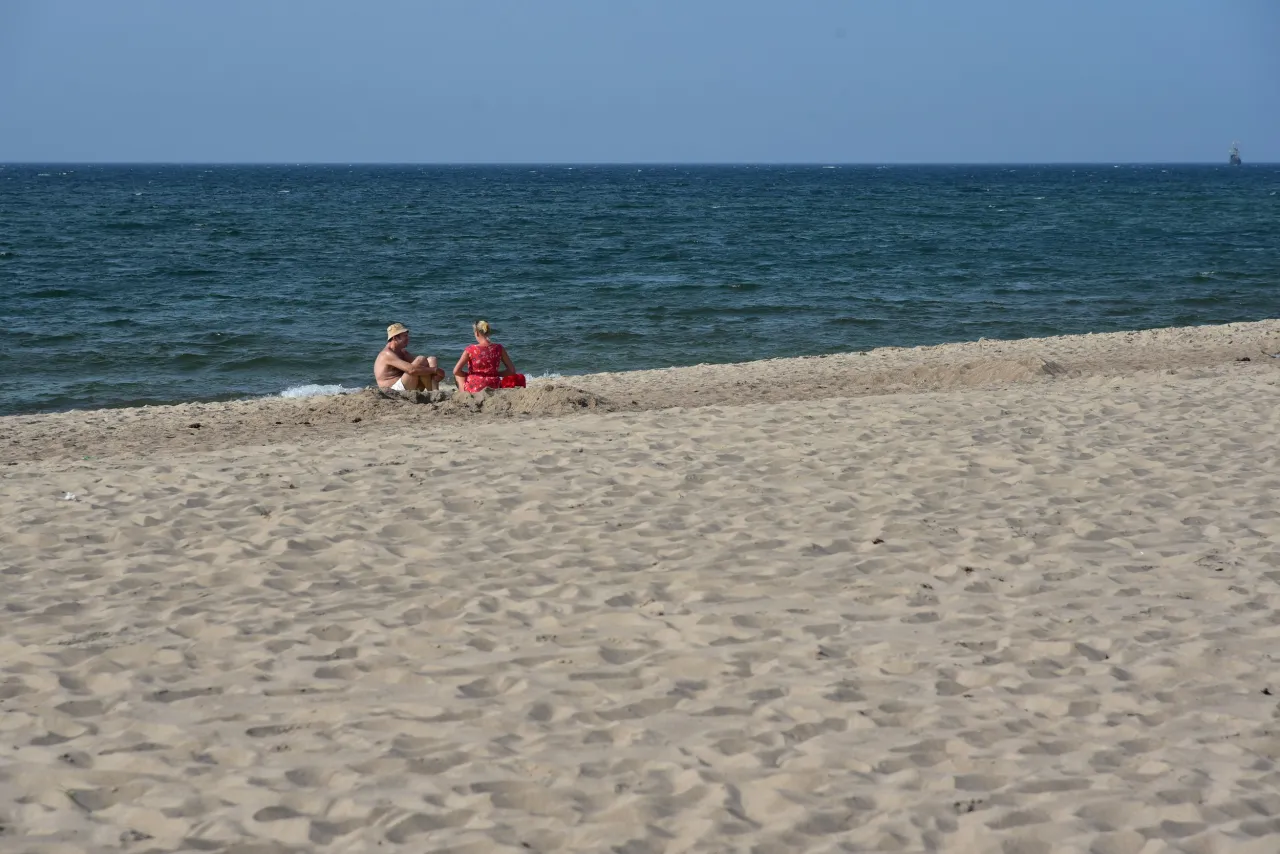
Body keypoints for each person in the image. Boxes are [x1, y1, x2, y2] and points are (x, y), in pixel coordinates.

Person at [453, 320, 526, 393]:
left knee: (458, 376)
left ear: (477, 333)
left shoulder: (470, 349)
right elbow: (512, 371)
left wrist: (467, 375)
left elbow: (456, 371)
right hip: (493, 386)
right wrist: (495, 374)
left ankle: (463, 394)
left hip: (474, 387)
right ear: (488, 332)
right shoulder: (499, 348)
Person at [374, 323, 446, 391]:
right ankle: (433, 392)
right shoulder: (387, 354)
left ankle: (434, 392)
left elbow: (421, 366)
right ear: (395, 338)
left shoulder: (402, 352)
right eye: (405, 336)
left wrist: (435, 375)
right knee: (421, 359)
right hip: (393, 390)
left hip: (407, 385)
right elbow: (412, 370)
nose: (408, 338)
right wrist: (435, 370)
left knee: (431, 359)